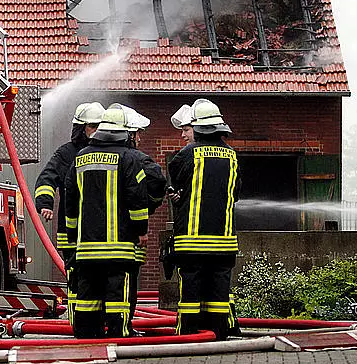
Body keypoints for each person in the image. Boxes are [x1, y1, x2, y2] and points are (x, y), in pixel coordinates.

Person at [64, 104, 151, 339]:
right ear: (124, 132)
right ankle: (119, 332)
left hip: (86, 248)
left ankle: (85, 333)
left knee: (88, 293)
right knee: (116, 294)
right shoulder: (129, 158)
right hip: (118, 247)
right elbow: (137, 199)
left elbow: (70, 199)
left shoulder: (81, 157)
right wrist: (141, 231)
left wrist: (72, 234)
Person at [167, 98, 240, 341]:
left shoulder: (187, 154)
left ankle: (188, 335)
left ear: (198, 127)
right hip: (224, 242)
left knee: (190, 292)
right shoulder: (231, 155)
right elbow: (236, 193)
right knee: (219, 293)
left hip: (192, 242)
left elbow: (175, 178)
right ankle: (219, 334)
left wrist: (181, 196)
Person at [34, 102, 105, 324]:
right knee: (75, 278)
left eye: (101, 126)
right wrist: (45, 203)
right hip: (72, 232)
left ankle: (101, 322)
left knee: (102, 279)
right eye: (93, 126)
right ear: (81, 129)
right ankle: (77, 322)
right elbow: (47, 178)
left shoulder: (110, 152)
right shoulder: (67, 153)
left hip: (102, 232)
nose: (97, 131)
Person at [110, 103, 165, 334]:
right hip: (127, 237)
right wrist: (148, 205)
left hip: (94, 240)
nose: (140, 139)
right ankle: (123, 327)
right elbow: (158, 181)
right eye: (137, 134)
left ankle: (103, 327)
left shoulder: (89, 157)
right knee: (126, 283)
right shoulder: (136, 159)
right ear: (129, 135)